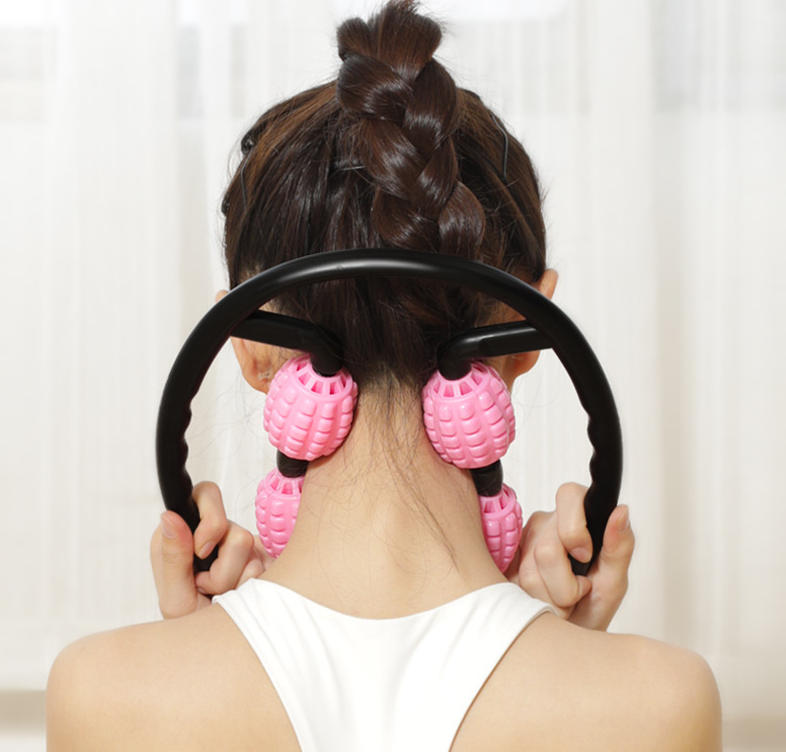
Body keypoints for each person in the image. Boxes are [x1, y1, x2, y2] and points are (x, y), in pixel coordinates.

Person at [46, 2, 721, 749]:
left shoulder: (104, 694)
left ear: (247, 341)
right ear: (529, 328)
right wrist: (578, 666)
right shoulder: (659, 703)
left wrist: (184, 670)